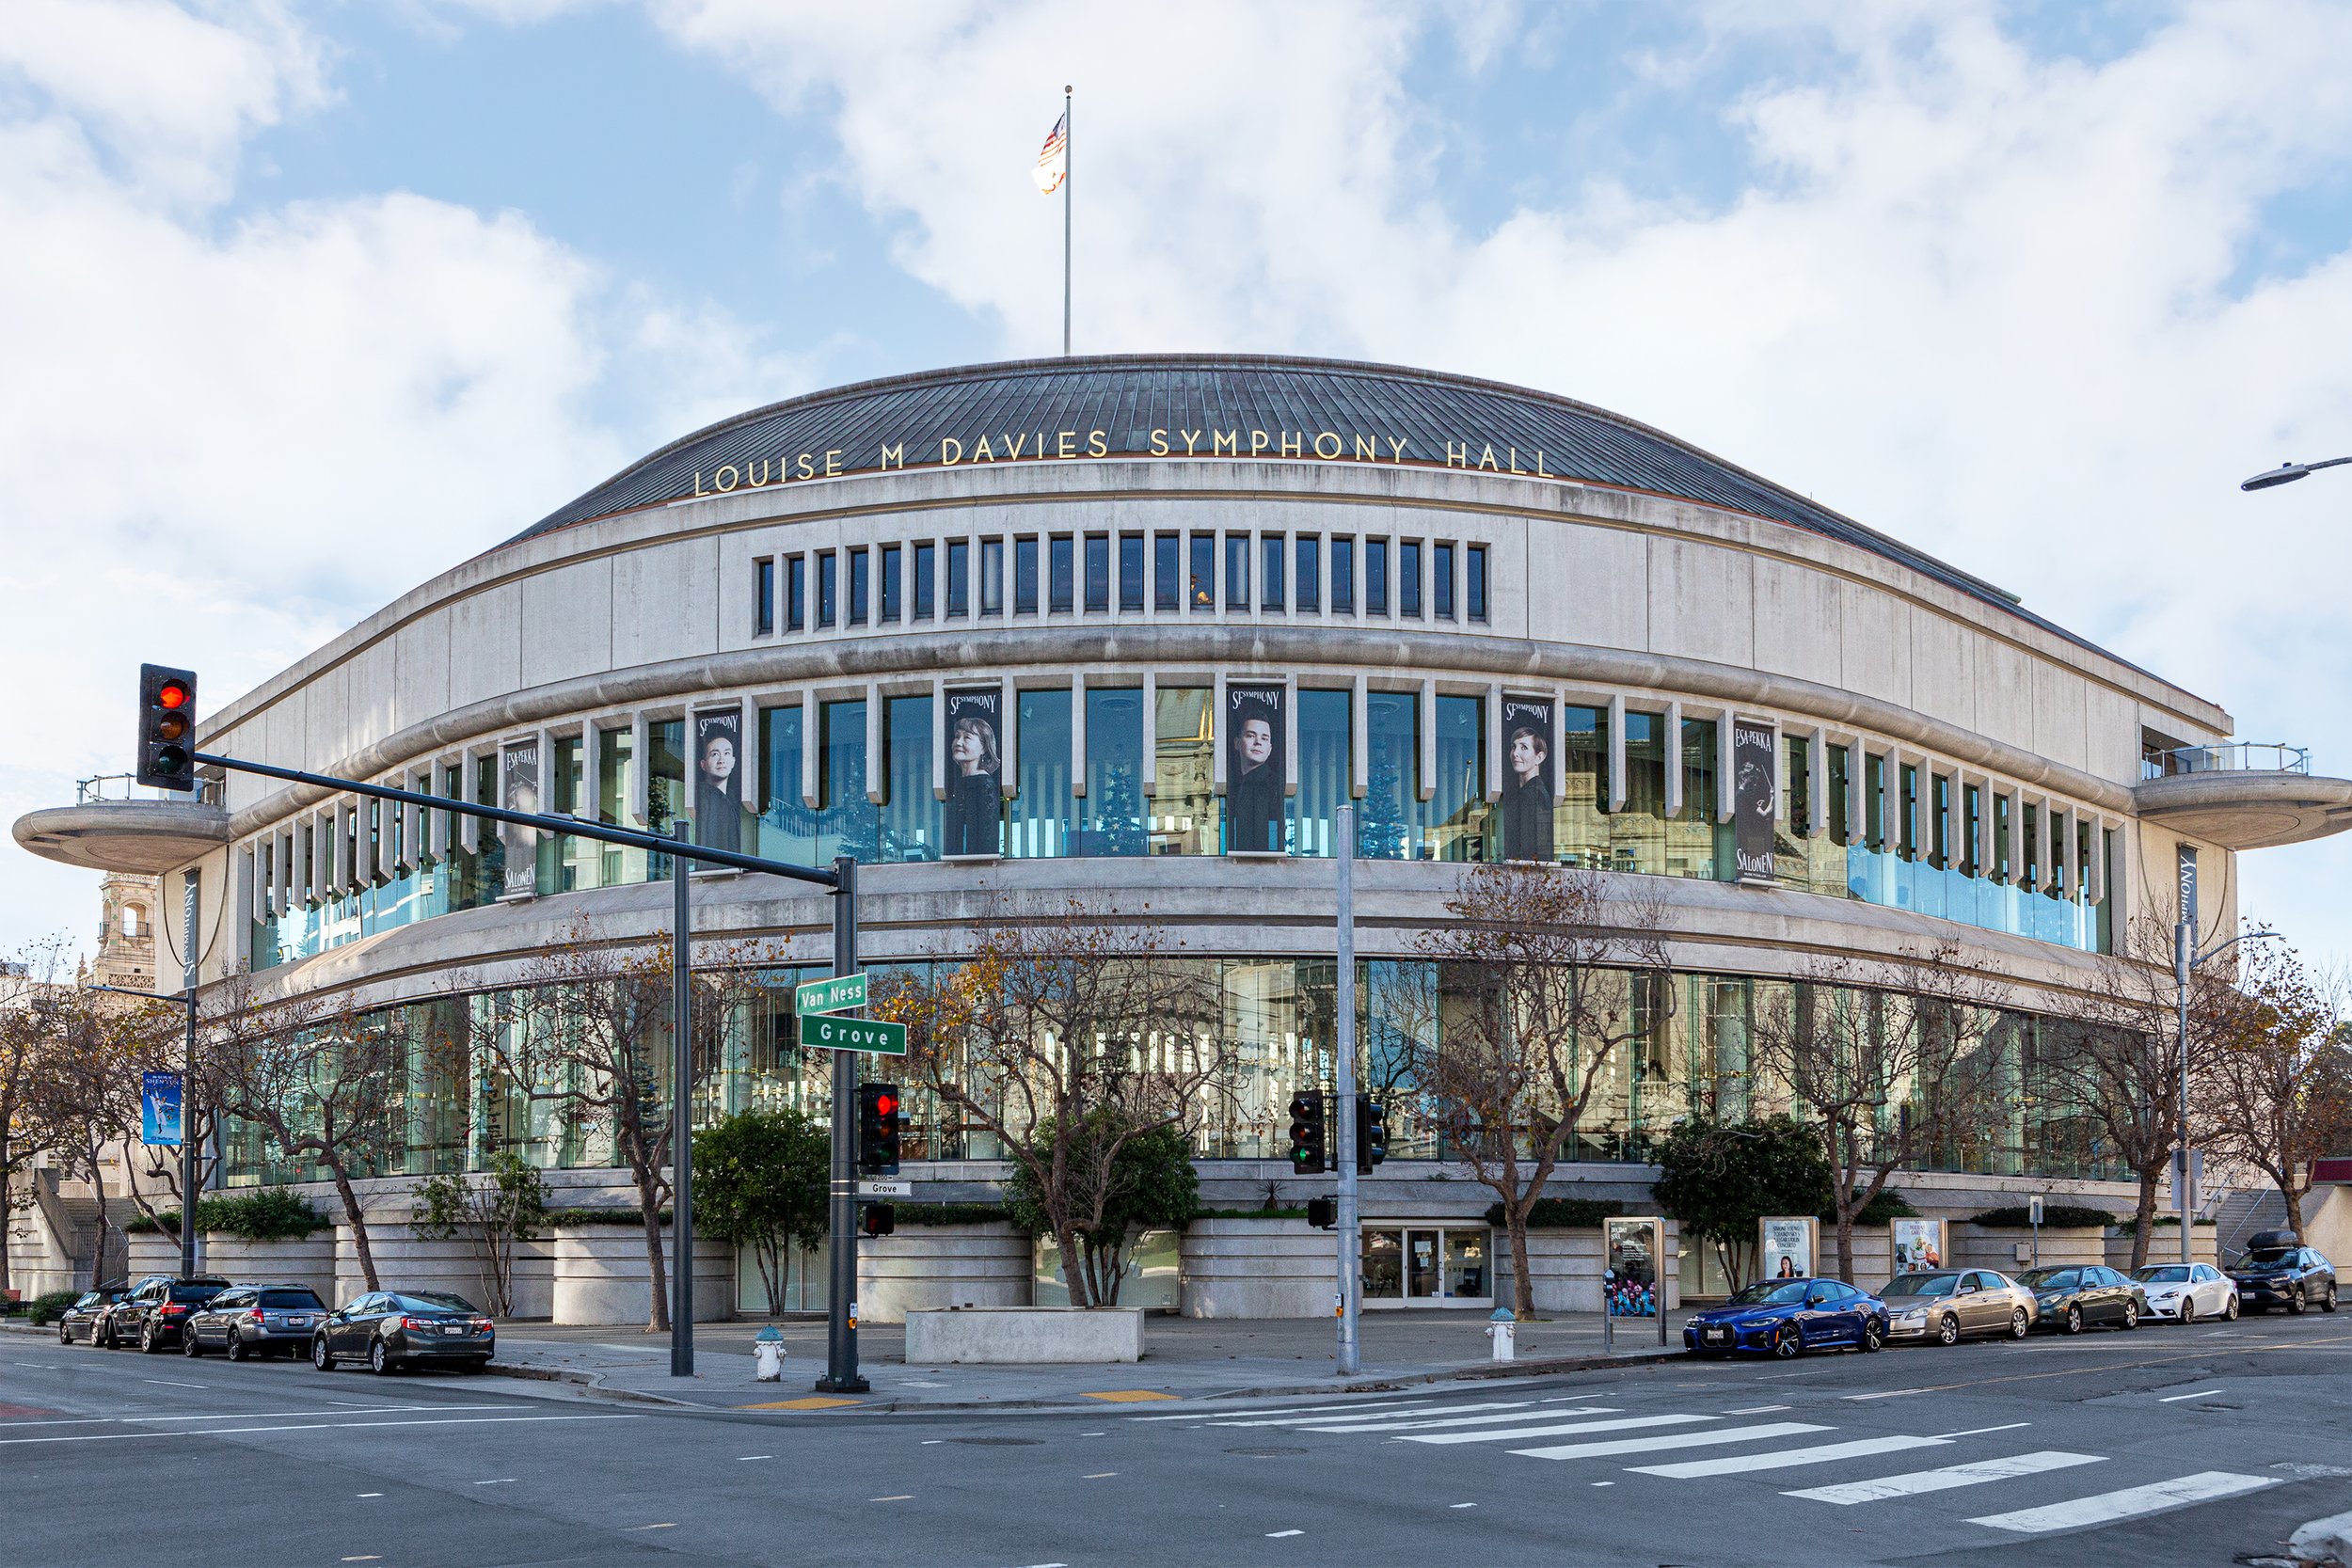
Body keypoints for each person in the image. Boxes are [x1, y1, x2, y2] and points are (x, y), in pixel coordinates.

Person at [945, 714, 1001, 856]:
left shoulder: (983, 783)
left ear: (984, 747)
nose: (958, 742)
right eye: (957, 736)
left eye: (967, 738)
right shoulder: (960, 783)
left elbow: (986, 836)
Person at [1226, 713, 1282, 851]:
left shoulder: (1273, 785)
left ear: (1269, 749)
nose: (1258, 742)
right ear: (1237, 743)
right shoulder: (1237, 784)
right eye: (1251, 735)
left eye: (1264, 738)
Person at [1500, 722, 1554, 861]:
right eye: (1514, 747)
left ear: (1539, 757)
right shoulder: (1532, 792)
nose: (1515, 753)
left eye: (1524, 747)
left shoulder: (1532, 794)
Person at [693, 726, 740, 853]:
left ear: (733, 761)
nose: (721, 760)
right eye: (715, 754)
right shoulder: (702, 798)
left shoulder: (733, 801)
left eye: (726, 753)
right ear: (703, 764)